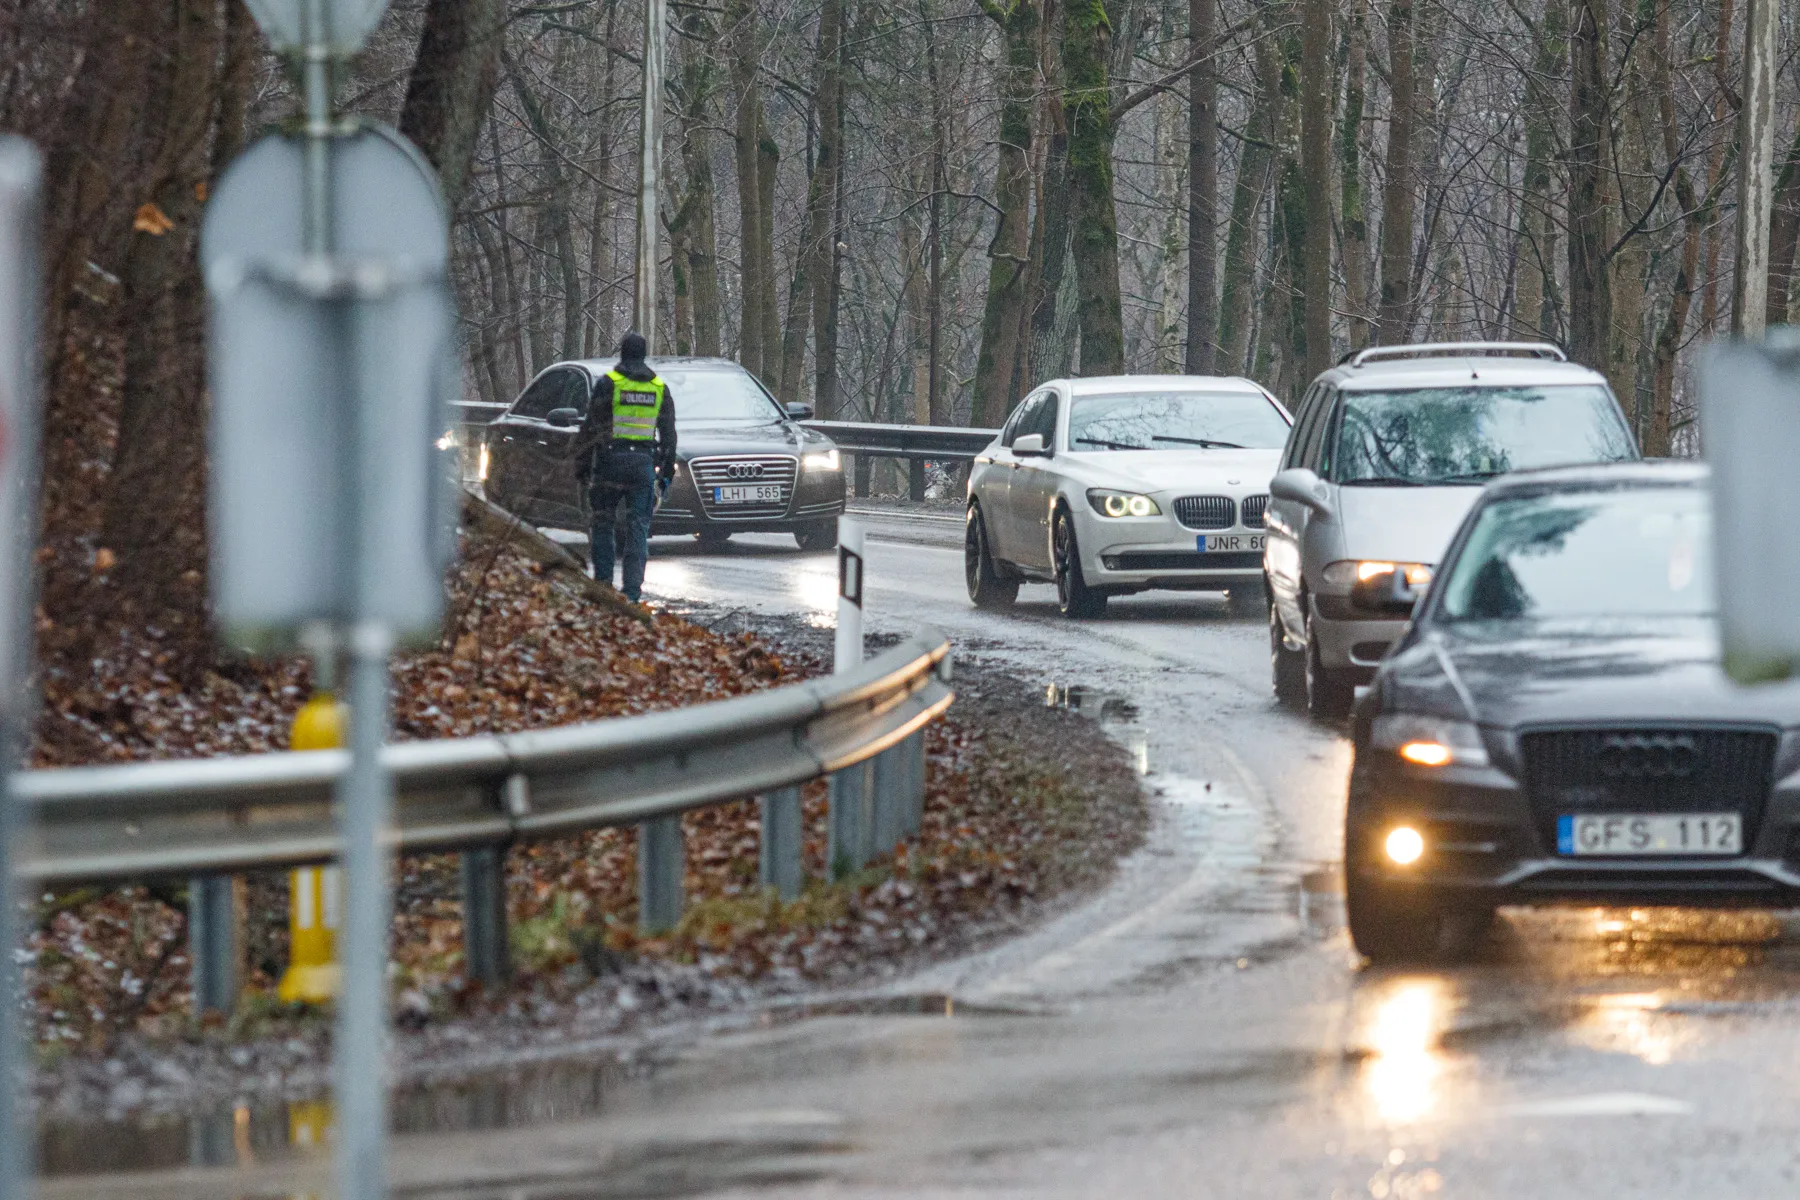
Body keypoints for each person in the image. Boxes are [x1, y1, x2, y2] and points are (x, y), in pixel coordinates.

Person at [574, 332, 676, 601]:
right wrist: (666, 473)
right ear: (644, 354)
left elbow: (590, 428)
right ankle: (632, 593)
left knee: (603, 524)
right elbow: (669, 434)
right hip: (642, 465)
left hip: (609, 464)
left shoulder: (609, 383)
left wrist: (582, 466)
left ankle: (603, 585)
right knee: (638, 528)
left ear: (622, 353)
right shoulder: (658, 388)